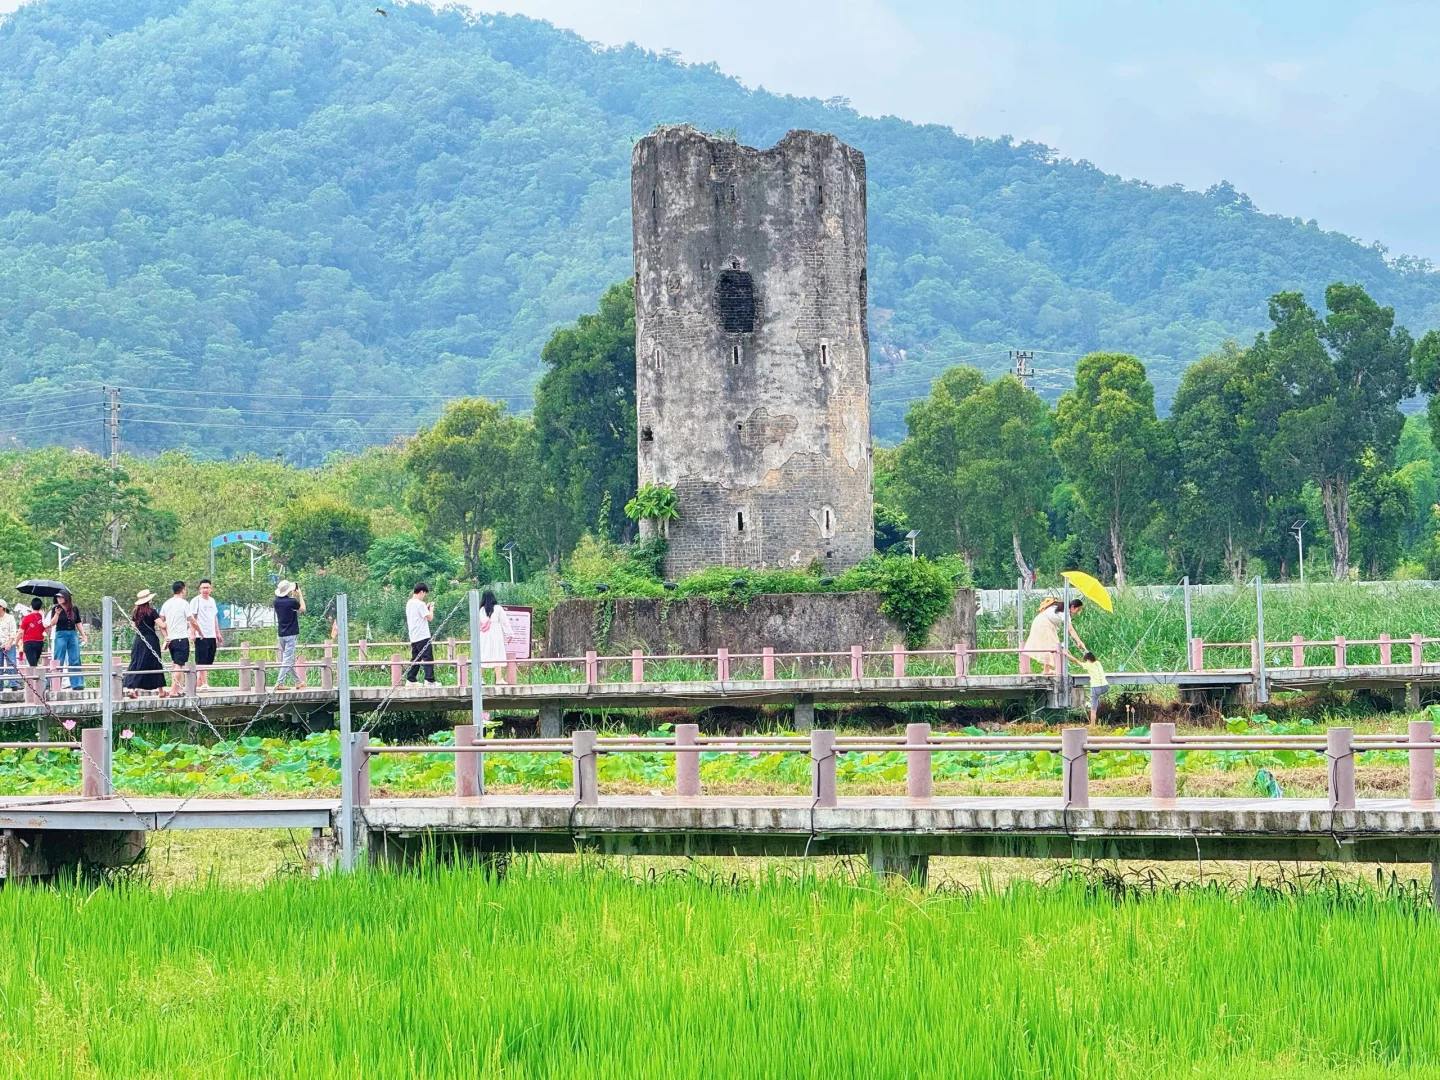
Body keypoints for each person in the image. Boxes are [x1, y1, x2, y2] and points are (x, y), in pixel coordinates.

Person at [1021, 596, 1087, 675]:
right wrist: (1079, 641)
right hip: (1043, 623)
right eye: (1078, 610)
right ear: (1072, 607)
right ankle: (1054, 670)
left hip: (1044, 622)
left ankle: (1047, 670)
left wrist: (1079, 642)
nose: (1078, 612)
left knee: (1050, 645)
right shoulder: (1065, 612)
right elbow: (1070, 629)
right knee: (1053, 646)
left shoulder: (1060, 607)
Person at [123, 589, 167, 697]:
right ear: (149, 600)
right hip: (151, 640)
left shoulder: (135, 612)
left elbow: (133, 626)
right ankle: (161, 691)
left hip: (139, 640)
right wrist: (168, 620)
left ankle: (133, 689)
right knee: (155, 663)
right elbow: (162, 625)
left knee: (137, 663)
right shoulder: (152, 612)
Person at [46, 591, 86, 691]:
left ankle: (77, 683)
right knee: (59, 658)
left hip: (72, 633)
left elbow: (78, 623)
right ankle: (56, 684)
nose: (59, 599)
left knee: (75, 658)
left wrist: (84, 636)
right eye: (58, 597)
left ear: (66, 598)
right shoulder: (55, 609)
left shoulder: (74, 609)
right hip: (61, 634)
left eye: (61, 597)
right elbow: (52, 623)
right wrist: (57, 614)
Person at [159, 580, 191, 698]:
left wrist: (165, 636)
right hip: (181, 638)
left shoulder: (166, 604)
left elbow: (160, 622)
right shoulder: (184, 603)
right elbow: (191, 620)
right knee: (179, 665)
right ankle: (173, 691)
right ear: (183, 590)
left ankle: (177, 689)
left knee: (176, 664)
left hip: (171, 640)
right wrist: (199, 631)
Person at [188, 578, 221, 690]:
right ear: (199, 589)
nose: (205, 590)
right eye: (203, 588)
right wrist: (192, 633)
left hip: (211, 634)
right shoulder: (195, 601)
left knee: (209, 659)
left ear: (211, 589)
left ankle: (198, 682)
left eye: (207, 588)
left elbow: (214, 617)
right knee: (201, 660)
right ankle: (204, 683)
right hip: (200, 635)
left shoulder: (212, 601)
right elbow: (192, 618)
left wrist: (217, 633)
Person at [272, 580, 305, 690]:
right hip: (291, 634)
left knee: (288, 659)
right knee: (287, 659)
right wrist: (299, 595)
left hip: (281, 634)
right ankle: (279, 683)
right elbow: (303, 608)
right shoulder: (292, 602)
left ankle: (298, 682)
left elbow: (286, 604)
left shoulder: (276, 601)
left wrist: (291, 595)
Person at [476, 589, 510, 684]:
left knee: (484, 654)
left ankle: (480, 678)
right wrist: (510, 633)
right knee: (497, 654)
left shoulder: (480, 610)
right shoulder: (498, 608)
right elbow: (505, 621)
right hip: (496, 633)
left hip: (484, 634)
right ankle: (499, 679)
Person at [405, 582, 436, 684]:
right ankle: (429, 680)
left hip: (413, 635)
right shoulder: (420, 604)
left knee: (416, 658)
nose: (424, 596)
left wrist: (425, 609)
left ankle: (411, 679)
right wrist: (431, 609)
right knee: (427, 658)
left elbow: (418, 615)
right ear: (421, 592)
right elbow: (430, 618)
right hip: (423, 635)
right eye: (424, 594)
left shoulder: (409, 603)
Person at [1067, 649, 1109, 723]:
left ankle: (1092, 725)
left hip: (1096, 687)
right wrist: (1084, 648)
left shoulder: (1088, 665)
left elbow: (1076, 661)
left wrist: (1066, 654)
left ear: (1088, 660)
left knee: (1093, 708)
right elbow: (1089, 655)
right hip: (1105, 687)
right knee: (1096, 698)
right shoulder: (1098, 663)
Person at [19, 598, 45, 671]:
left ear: (31, 606)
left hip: (28, 642)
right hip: (39, 642)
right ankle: (34, 679)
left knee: (33, 664)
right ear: (40, 607)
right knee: (34, 662)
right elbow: (46, 629)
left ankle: (36, 679)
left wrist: (16, 640)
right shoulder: (43, 618)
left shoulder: (26, 618)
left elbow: (21, 631)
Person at [0, 599, 17, 691]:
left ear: (2, 607)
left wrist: (9, 643)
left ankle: (14, 683)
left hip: (9, 643)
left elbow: (13, 632)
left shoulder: (10, 618)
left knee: (11, 663)